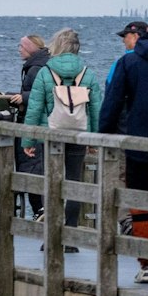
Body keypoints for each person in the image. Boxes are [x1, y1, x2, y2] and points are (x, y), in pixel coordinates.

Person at [100, 14, 148, 284]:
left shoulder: (129, 61)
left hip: (138, 146)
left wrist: (103, 136)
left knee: (142, 206)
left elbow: (112, 104)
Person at [21, 28, 101, 235]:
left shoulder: (44, 73)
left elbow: (34, 109)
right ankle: (71, 234)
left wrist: (28, 141)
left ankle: (52, 235)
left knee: (52, 183)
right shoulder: (88, 74)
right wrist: (95, 139)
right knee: (74, 182)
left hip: (51, 136)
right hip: (78, 134)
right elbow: (95, 110)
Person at [10, 33, 53, 217]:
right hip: (41, 124)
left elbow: (42, 94)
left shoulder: (35, 68)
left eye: (21, 46)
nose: (19, 49)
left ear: (29, 48)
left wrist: (23, 98)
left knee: (32, 167)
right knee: (36, 167)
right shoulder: (41, 65)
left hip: (33, 125)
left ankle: (40, 210)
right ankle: (40, 209)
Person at [108, 21, 147, 95]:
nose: (123, 41)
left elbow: (111, 90)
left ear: (135, 37)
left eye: (125, 36)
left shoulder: (122, 63)